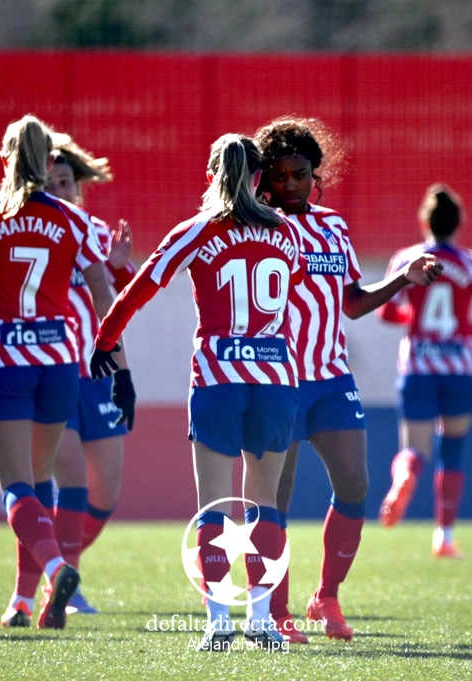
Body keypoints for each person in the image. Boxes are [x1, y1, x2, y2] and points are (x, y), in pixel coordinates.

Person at [89, 133, 302, 652]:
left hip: (218, 379)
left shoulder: (198, 230)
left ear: (210, 176)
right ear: (259, 178)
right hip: (275, 379)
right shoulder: (286, 232)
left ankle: (218, 622)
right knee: (264, 503)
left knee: (215, 504)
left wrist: (105, 340)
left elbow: (140, 286)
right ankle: (262, 621)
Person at [253, 117, 443, 644]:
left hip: (332, 377)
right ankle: (275, 609)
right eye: (279, 175)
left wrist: (403, 278)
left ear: (316, 174)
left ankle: (326, 597)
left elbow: (353, 303)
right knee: (276, 496)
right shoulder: (254, 225)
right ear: (264, 177)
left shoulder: (332, 226)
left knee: (355, 485)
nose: (290, 184)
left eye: (300, 174)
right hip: (275, 379)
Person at [0, 115, 123, 630]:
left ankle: (57, 567)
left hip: (5, 365)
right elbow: (103, 294)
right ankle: (22, 600)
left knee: (17, 487)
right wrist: (114, 354)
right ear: (47, 161)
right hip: (59, 366)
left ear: (5, 158)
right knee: (41, 482)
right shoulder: (73, 220)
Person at [1, 133, 136, 625]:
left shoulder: (93, 230)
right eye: (51, 182)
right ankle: (60, 584)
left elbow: (121, 299)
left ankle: (55, 568)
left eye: (66, 183)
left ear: (80, 188)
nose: (60, 190)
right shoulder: (31, 228)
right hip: (54, 371)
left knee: (106, 494)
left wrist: (118, 269)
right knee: (70, 479)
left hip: (97, 373)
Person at [376, 183, 472, 559]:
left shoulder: (406, 258)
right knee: (452, 449)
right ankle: (445, 536)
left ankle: (405, 475)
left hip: (418, 363)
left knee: (414, 448)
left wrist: (413, 318)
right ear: (458, 223)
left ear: (424, 222)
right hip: (461, 367)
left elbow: (385, 310)